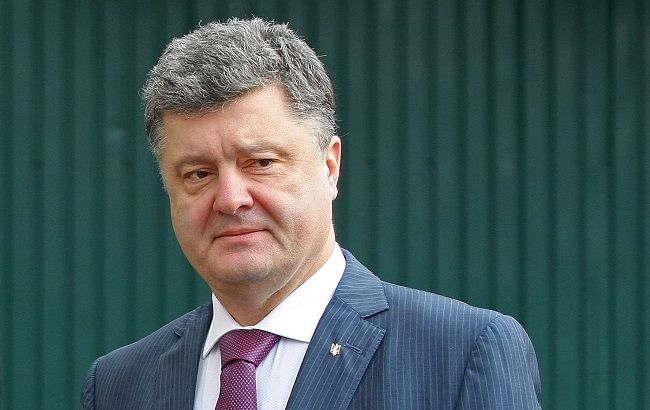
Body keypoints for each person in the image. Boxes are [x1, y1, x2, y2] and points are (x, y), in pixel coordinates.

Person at [81, 18, 541, 409]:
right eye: (199, 173)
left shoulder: (460, 354)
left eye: (261, 163)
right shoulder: (119, 386)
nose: (230, 199)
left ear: (329, 166)